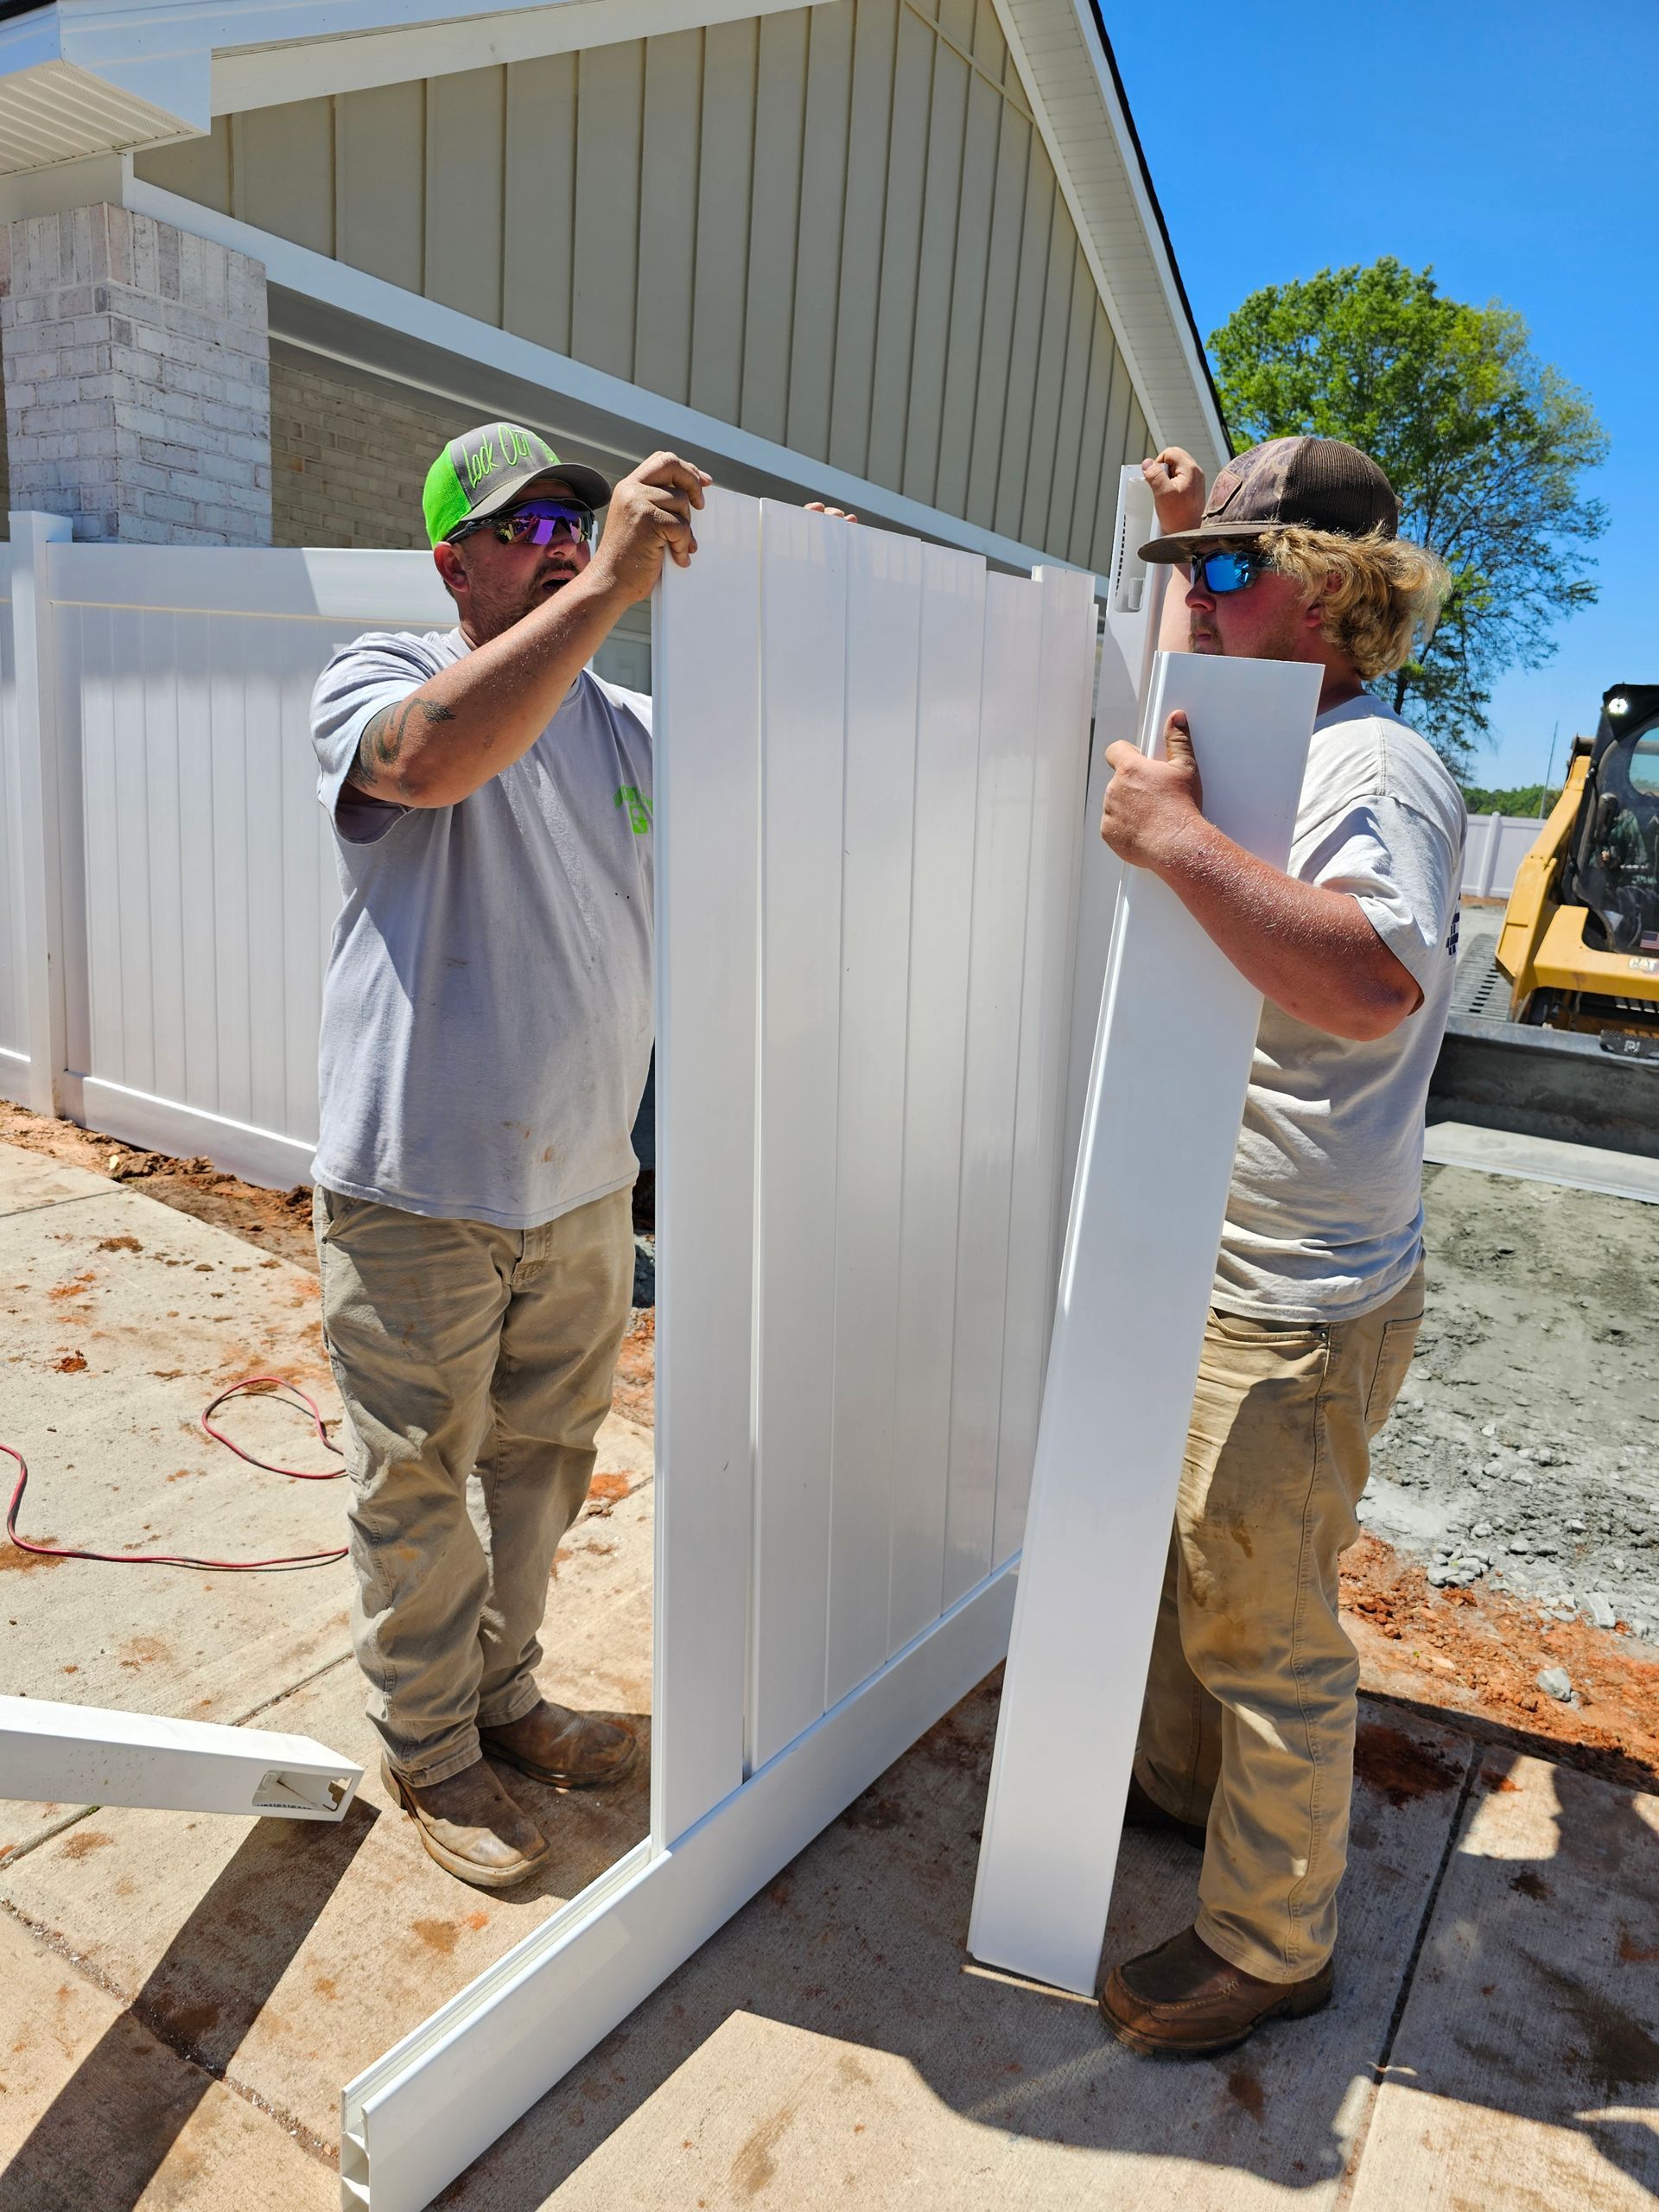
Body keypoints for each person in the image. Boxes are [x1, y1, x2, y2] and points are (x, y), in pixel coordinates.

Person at [1095, 436, 1465, 2052]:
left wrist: (1176, 845)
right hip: (1223, 1254)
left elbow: (1377, 981)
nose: (1207, 604)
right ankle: (1193, 1804)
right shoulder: (1272, 745)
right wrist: (1182, 538)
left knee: (1265, 1618)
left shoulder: (1373, 767)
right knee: (1197, 1570)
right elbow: (1179, 732)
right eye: (1206, 578)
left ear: (1332, 594)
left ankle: (1273, 1940)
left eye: (1240, 572)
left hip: (1303, 1294)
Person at [308, 423, 709, 1889]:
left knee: (543, 1464)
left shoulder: (630, 729)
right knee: (419, 1476)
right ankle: (428, 1747)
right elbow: (427, 765)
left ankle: (506, 1693)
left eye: (574, 518)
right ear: (452, 561)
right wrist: (604, 585)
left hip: (583, 1184)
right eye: (524, 525)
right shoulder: (377, 678)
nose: (557, 538)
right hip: (418, 1184)